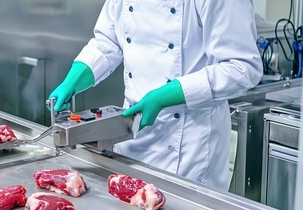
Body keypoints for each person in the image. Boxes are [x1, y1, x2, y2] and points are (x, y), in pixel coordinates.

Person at [49, 0, 263, 191]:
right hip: (133, 134)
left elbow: (242, 67)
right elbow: (108, 43)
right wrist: (73, 80)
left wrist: (163, 96)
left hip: (188, 146)